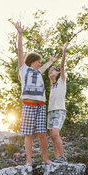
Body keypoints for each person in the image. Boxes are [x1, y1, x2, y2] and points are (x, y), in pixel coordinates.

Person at [15, 21, 57, 166]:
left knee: (42, 134)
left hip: (40, 106)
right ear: (32, 61)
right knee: (29, 134)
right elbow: (20, 51)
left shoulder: (39, 72)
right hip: (28, 105)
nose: (40, 63)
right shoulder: (24, 69)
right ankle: (29, 161)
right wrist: (20, 34)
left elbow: (45, 67)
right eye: (39, 61)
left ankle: (46, 159)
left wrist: (51, 61)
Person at [47, 41, 69, 163]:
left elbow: (62, 66)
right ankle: (57, 158)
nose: (50, 73)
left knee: (55, 134)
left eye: (52, 71)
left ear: (59, 72)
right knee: (52, 136)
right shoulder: (52, 85)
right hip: (51, 112)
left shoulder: (62, 80)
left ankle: (63, 157)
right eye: (49, 72)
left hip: (59, 111)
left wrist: (64, 50)